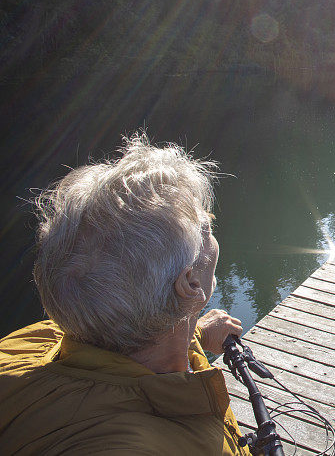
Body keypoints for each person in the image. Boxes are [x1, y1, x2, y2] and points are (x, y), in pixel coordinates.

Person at [0, 134, 248, 455]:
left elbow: (137, 350)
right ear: (190, 286)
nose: (213, 235)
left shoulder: (34, 340)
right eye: (207, 228)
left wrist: (196, 332)